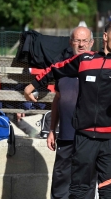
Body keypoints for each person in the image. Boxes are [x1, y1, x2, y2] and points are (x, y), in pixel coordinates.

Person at [24, 19, 111, 198]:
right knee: (79, 190)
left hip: (110, 142)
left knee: (107, 191)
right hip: (83, 139)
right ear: (105, 36)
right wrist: (32, 85)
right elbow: (55, 69)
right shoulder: (85, 60)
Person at [46, 26, 96, 199]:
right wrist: (52, 129)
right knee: (60, 185)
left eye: (85, 41)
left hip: (90, 138)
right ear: (70, 42)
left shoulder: (99, 67)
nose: (81, 45)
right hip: (66, 137)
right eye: (77, 40)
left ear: (91, 43)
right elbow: (58, 99)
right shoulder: (61, 68)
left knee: (86, 185)